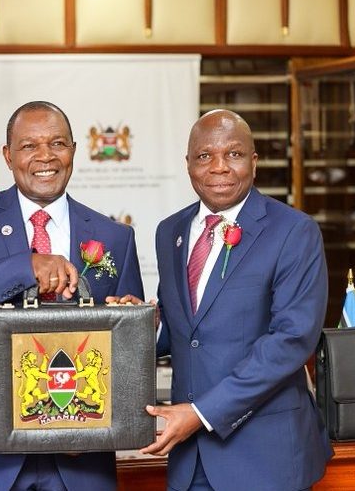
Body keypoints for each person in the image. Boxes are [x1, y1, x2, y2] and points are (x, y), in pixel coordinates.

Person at [0, 101, 145, 491]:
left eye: (57, 143)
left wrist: (133, 321)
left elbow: (130, 349)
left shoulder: (115, 238)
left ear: (74, 151)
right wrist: (25, 266)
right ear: (8, 156)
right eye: (29, 146)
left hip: (82, 461)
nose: (45, 156)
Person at [141, 109, 333, 490]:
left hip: (265, 458)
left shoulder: (294, 232)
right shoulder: (170, 232)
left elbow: (291, 341)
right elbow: (185, 330)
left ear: (254, 162)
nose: (219, 167)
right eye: (205, 156)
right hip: (189, 458)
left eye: (233, 154)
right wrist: (141, 322)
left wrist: (200, 413)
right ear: (189, 164)